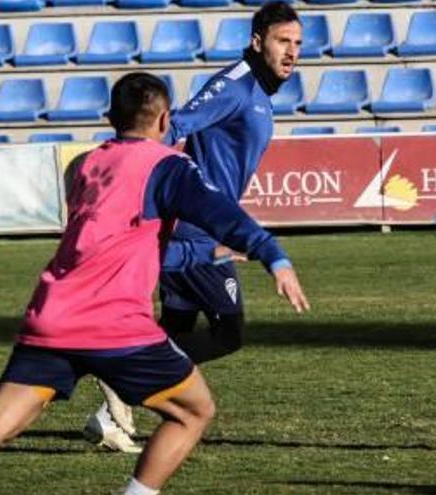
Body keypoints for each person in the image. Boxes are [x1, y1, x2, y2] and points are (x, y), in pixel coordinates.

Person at [0, 72, 309, 495]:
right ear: (165, 121)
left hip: (52, 318)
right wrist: (274, 255)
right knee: (193, 413)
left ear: (110, 117)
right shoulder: (168, 167)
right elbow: (223, 215)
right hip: (116, 327)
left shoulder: (86, 165)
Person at [84, 0, 303, 451]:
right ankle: (122, 378)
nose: (292, 51)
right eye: (283, 41)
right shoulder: (235, 85)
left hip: (203, 224)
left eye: (298, 43)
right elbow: (171, 126)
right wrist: (137, 179)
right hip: (196, 226)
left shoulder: (258, 92)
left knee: (176, 329)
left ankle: (113, 403)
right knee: (228, 330)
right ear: (258, 42)